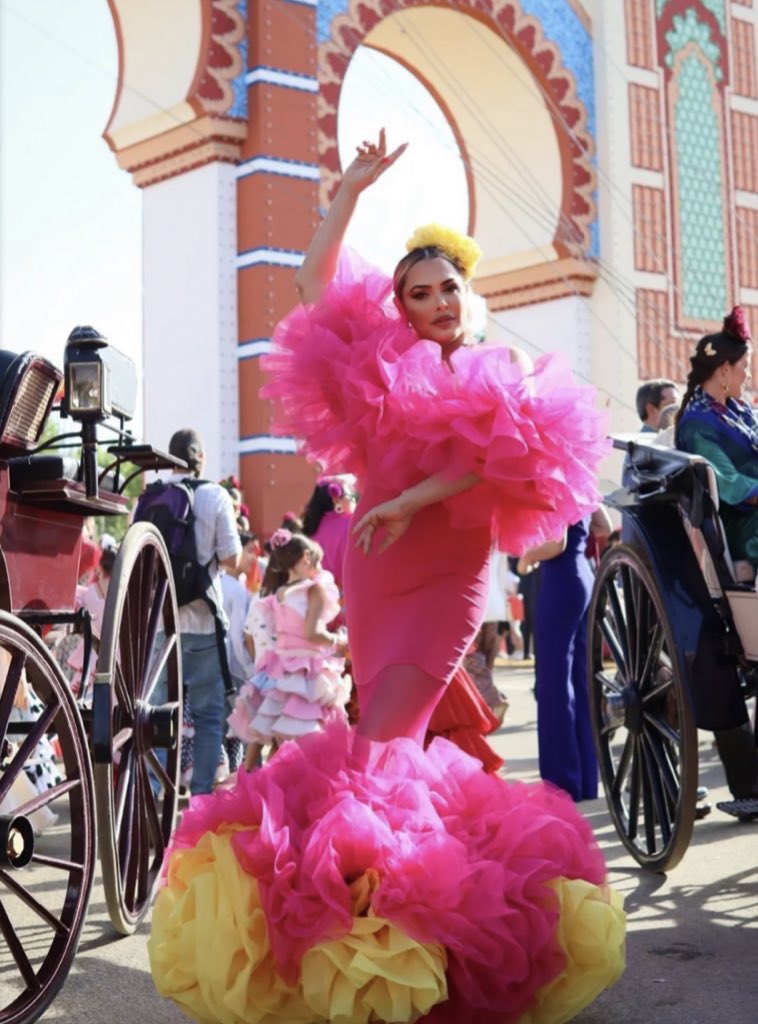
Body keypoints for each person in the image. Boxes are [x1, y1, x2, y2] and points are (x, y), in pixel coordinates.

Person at [150, 131, 625, 1024]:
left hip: (444, 575)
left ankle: (384, 943)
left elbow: (502, 464)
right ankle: (372, 939)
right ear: (401, 307)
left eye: (449, 287)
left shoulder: (505, 367)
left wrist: (413, 501)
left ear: (467, 293)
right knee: (378, 740)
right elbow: (309, 286)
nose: (439, 302)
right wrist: (353, 191)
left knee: (388, 736)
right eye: (420, 293)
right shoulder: (381, 368)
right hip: (374, 570)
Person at [164, 429, 241, 795]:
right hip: (204, 620)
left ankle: (152, 794)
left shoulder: (153, 495)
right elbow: (232, 557)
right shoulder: (215, 495)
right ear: (201, 459)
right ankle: (200, 803)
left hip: (161, 627)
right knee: (209, 716)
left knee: (155, 715)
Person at [521, 507, 612, 802]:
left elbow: (554, 543)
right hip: (582, 575)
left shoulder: (555, 481)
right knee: (579, 682)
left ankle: (563, 782)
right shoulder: (580, 479)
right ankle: (586, 780)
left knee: (554, 683)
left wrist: (525, 559)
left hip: (560, 578)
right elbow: (604, 526)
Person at [675, 307, 757, 565]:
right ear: (724, 370)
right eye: (745, 366)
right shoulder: (698, 425)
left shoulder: (736, 410)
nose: (749, 376)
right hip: (738, 523)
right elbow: (730, 484)